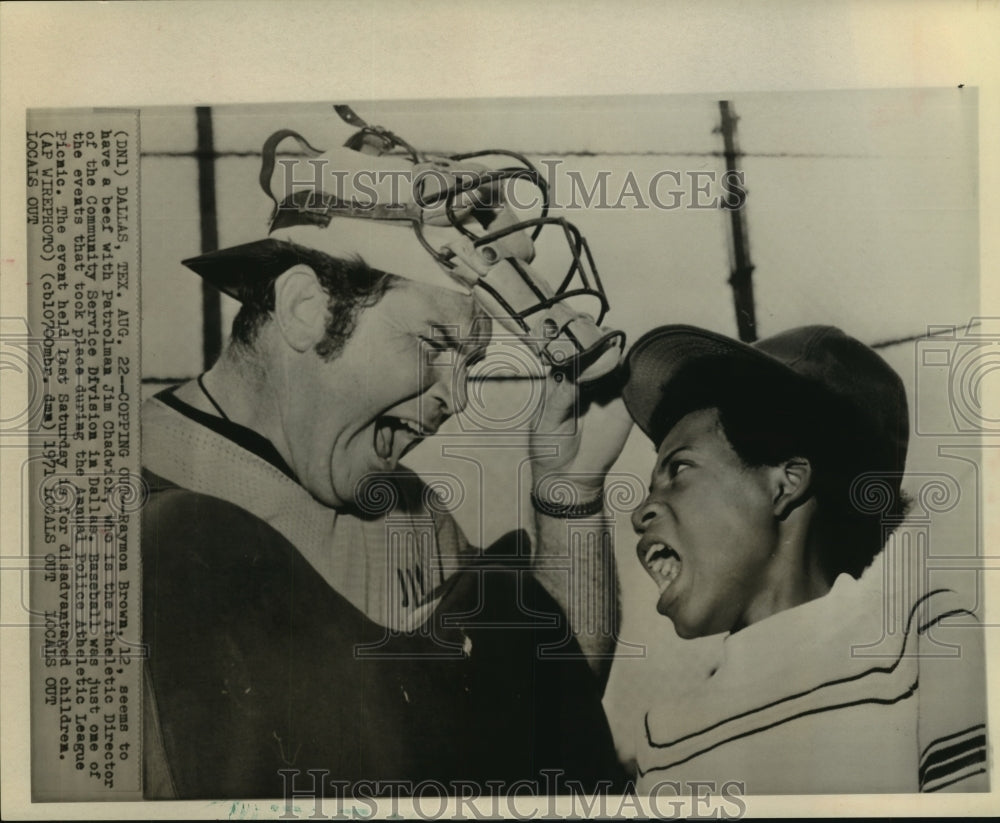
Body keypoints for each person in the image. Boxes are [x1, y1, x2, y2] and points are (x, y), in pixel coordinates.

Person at [140, 111, 633, 799]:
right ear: (307, 308)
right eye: (435, 344)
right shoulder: (102, 500)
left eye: (471, 361)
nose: (457, 396)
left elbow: (544, 710)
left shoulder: (408, 513)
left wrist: (568, 487)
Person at [621, 324, 988, 794]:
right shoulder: (663, 739)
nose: (639, 512)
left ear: (786, 483)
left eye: (679, 469)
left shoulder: (922, 643)